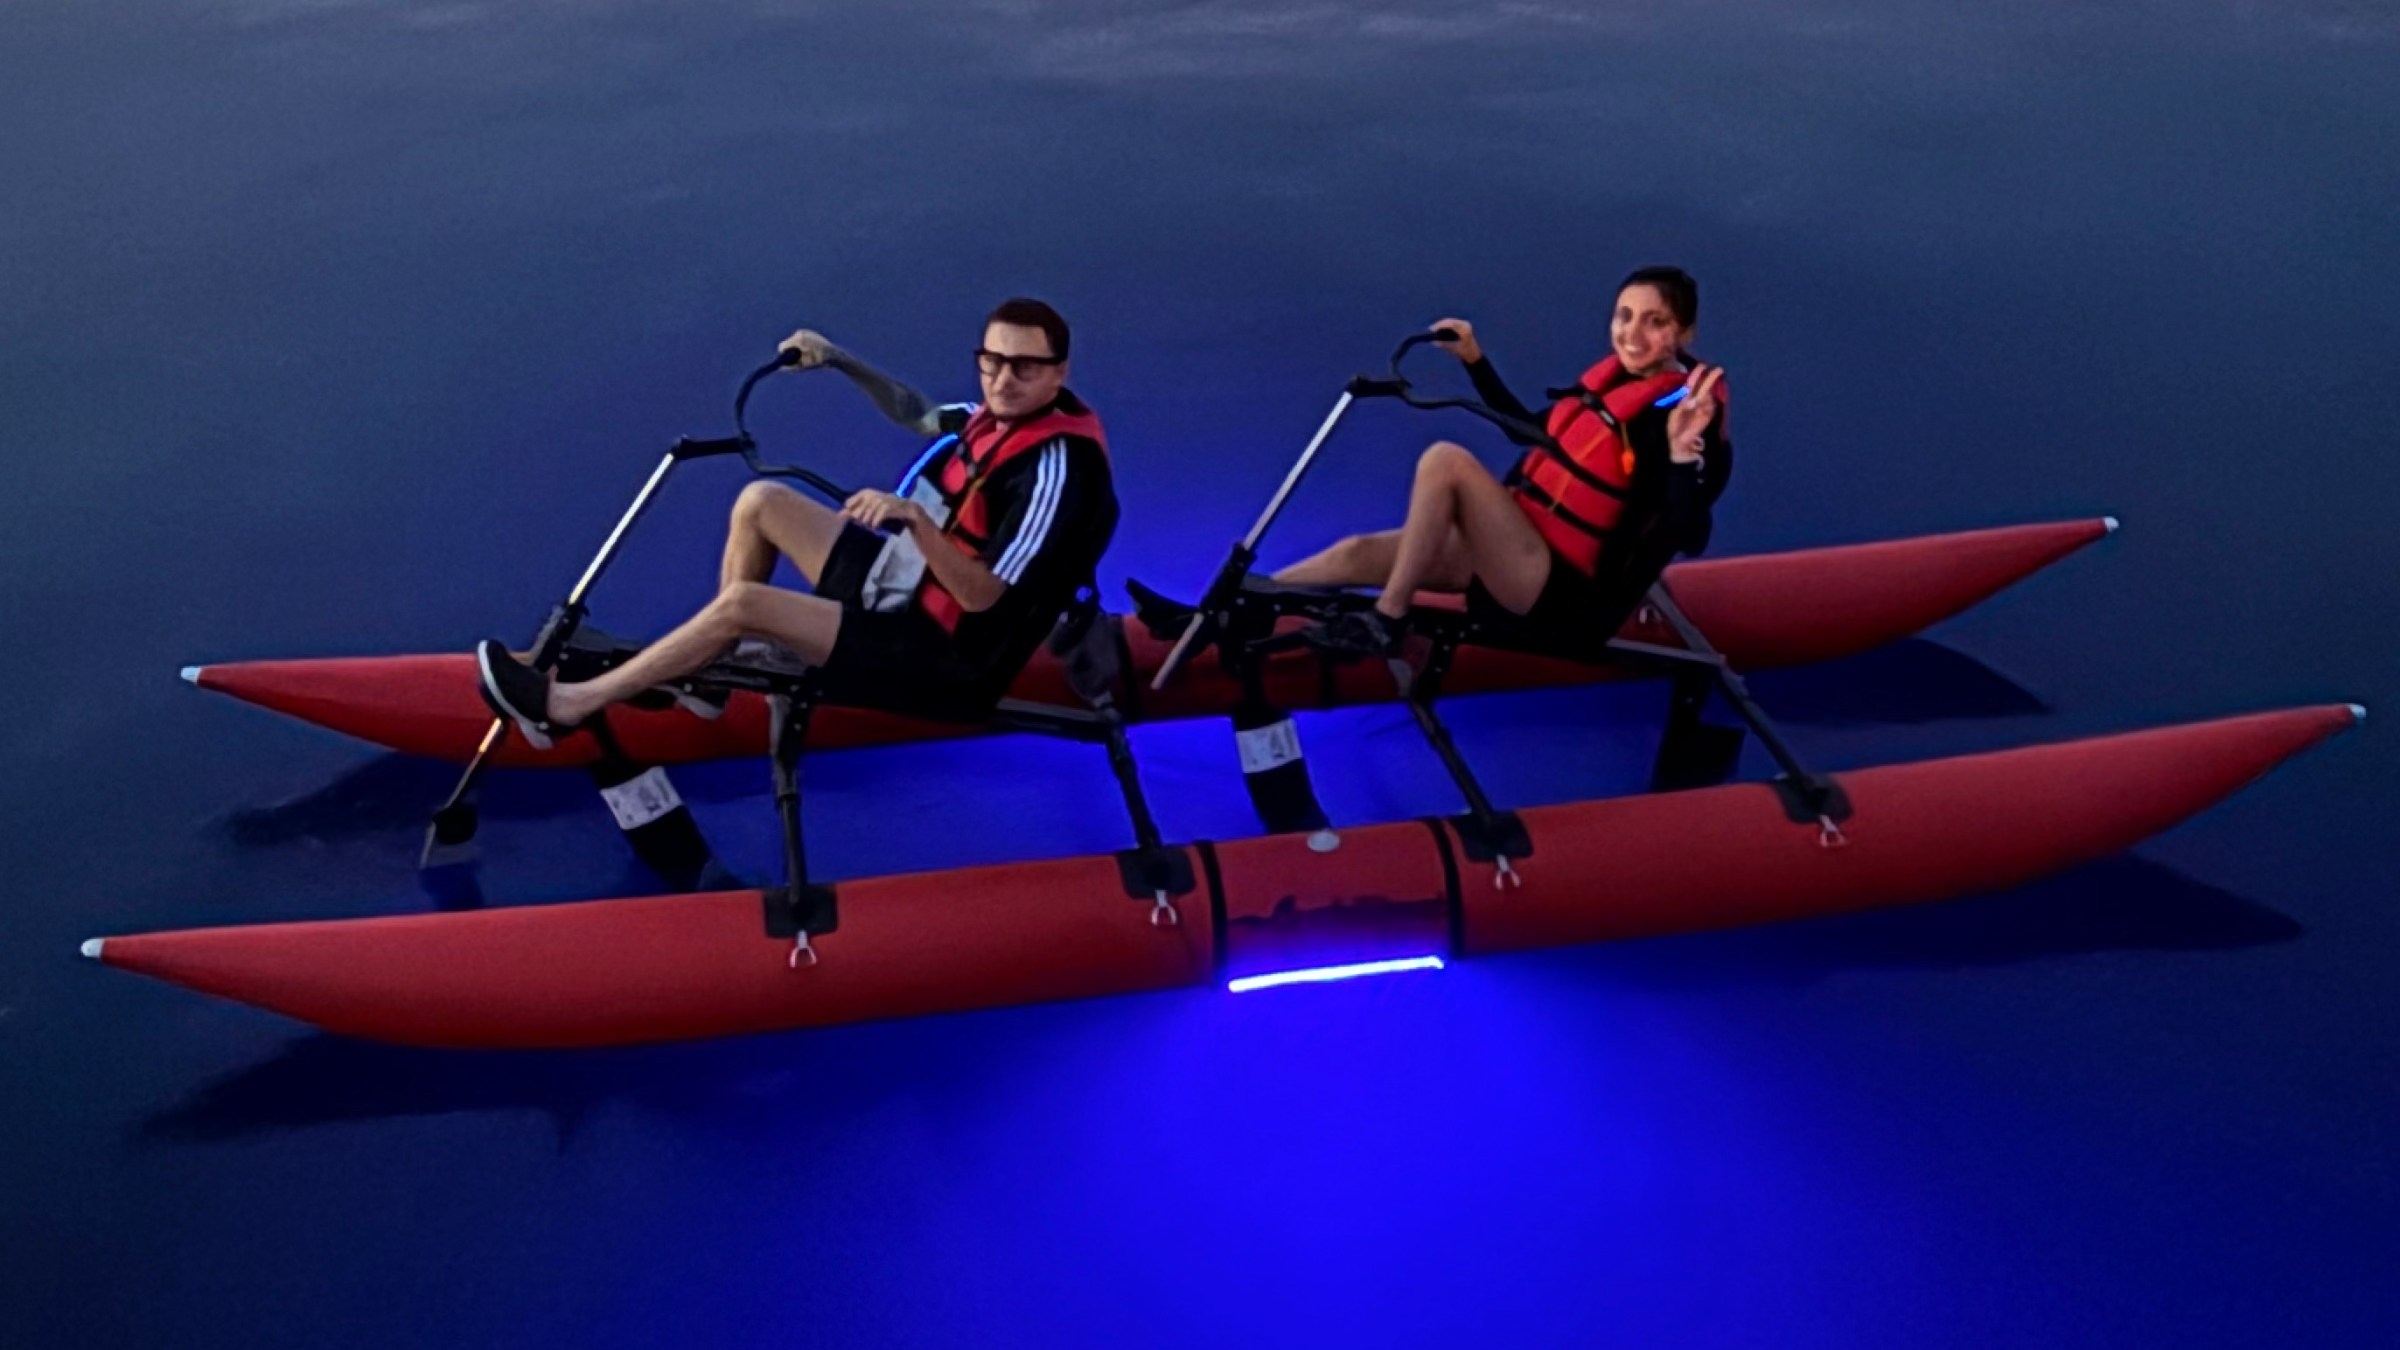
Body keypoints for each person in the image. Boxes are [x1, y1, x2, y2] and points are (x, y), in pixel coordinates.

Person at [476, 298, 1119, 746]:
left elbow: (983, 598)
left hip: (945, 655)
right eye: (991, 361)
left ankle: (566, 707)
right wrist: (837, 358)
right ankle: (707, 683)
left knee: (746, 605)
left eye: (1024, 368)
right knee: (762, 502)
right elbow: (921, 414)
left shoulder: (1055, 467)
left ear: (1058, 374)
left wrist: (915, 520)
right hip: (902, 590)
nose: (1002, 380)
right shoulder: (995, 414)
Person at [1277, 266, 1731, 656]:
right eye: (1624, 316)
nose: (1632, 335)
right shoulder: (1612, 387)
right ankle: (1242, 605)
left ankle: (1388, 619)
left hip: (1559, 594)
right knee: (1354, 552)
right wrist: (1475, 360)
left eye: (1656, 322)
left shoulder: (1686, 417)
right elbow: (1525, 430)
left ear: (1685, 332)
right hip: (1514, 551)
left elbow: (1688, 533)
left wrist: (1679, 455)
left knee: (1446, 461)